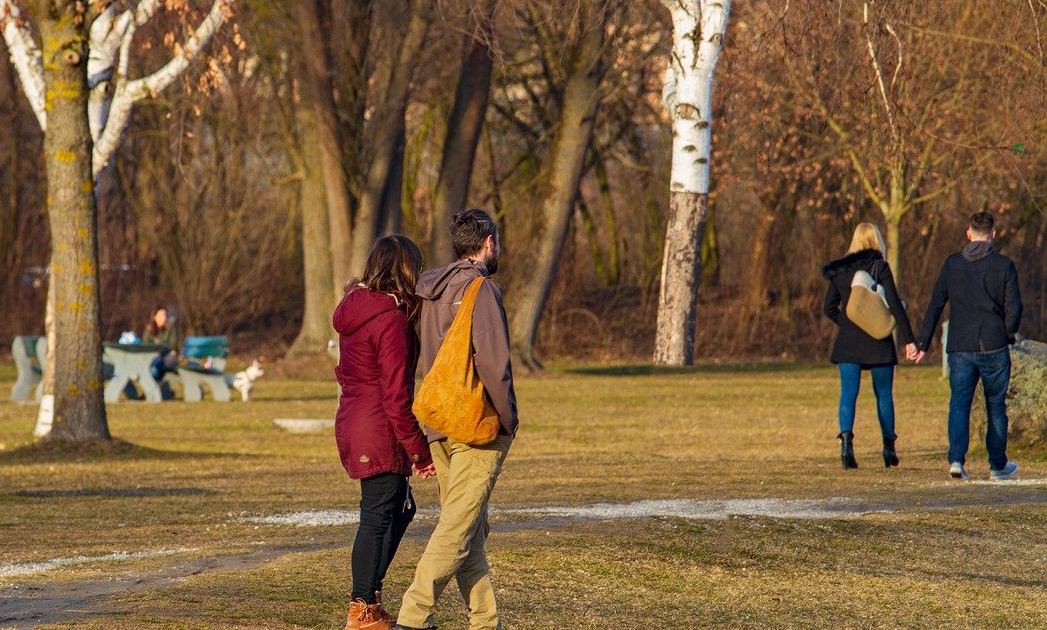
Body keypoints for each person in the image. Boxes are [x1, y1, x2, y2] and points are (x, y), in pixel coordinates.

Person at [394, 209, 518, 630]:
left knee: (467, 528)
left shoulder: (429, 290)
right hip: (476, 425)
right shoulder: (481, 289)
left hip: (437, 424)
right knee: (457, 528)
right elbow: (494, 364)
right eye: (496, 241)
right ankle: (413, 616)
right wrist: (509, 420)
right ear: (487, 243)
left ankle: (485, 620)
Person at [333, 235, 437, 630]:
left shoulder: (356, 308)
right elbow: (396, 395)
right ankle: (362, 608)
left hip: (356, 420)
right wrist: (420, 452)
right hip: (378, 425)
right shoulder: (390, 318)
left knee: (400, 509)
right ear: (404, 270)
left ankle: (369, 601)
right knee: (377, 516)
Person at [912, 211, 1023, 481]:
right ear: (993, 235)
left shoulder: (952, 265)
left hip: (960, 345)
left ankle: (956, 460)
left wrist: (923, 342)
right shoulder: (1004, 265)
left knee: (959, 403)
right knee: (995, 405)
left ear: (968, 233)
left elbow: (936, 303)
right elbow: (1015, 308)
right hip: (994, 345)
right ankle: (997, 466)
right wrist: (1008, 333)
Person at [822, 223, 917, 469]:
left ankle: (846, 447)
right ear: (877, 241)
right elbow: (895, 304)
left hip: (849, 343)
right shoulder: (880, 267)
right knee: (884, 395)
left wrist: (848, 323)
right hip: (878, 341)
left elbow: (828, 308)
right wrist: (910, 339)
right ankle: (888, 448)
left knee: (848, 394)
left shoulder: (841, 270)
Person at [143, 305, 179, 383]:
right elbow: (145, 346)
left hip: (166, 357)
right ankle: (158, 389)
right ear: (155, 317)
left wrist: (162, 352)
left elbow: (173, 345)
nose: (164, 317)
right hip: (152, 358)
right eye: (161, 315)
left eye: (165, 315)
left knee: (155, 368)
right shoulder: (149, 330)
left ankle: (157, 389)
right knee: (153, 368)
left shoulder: (170, 328)